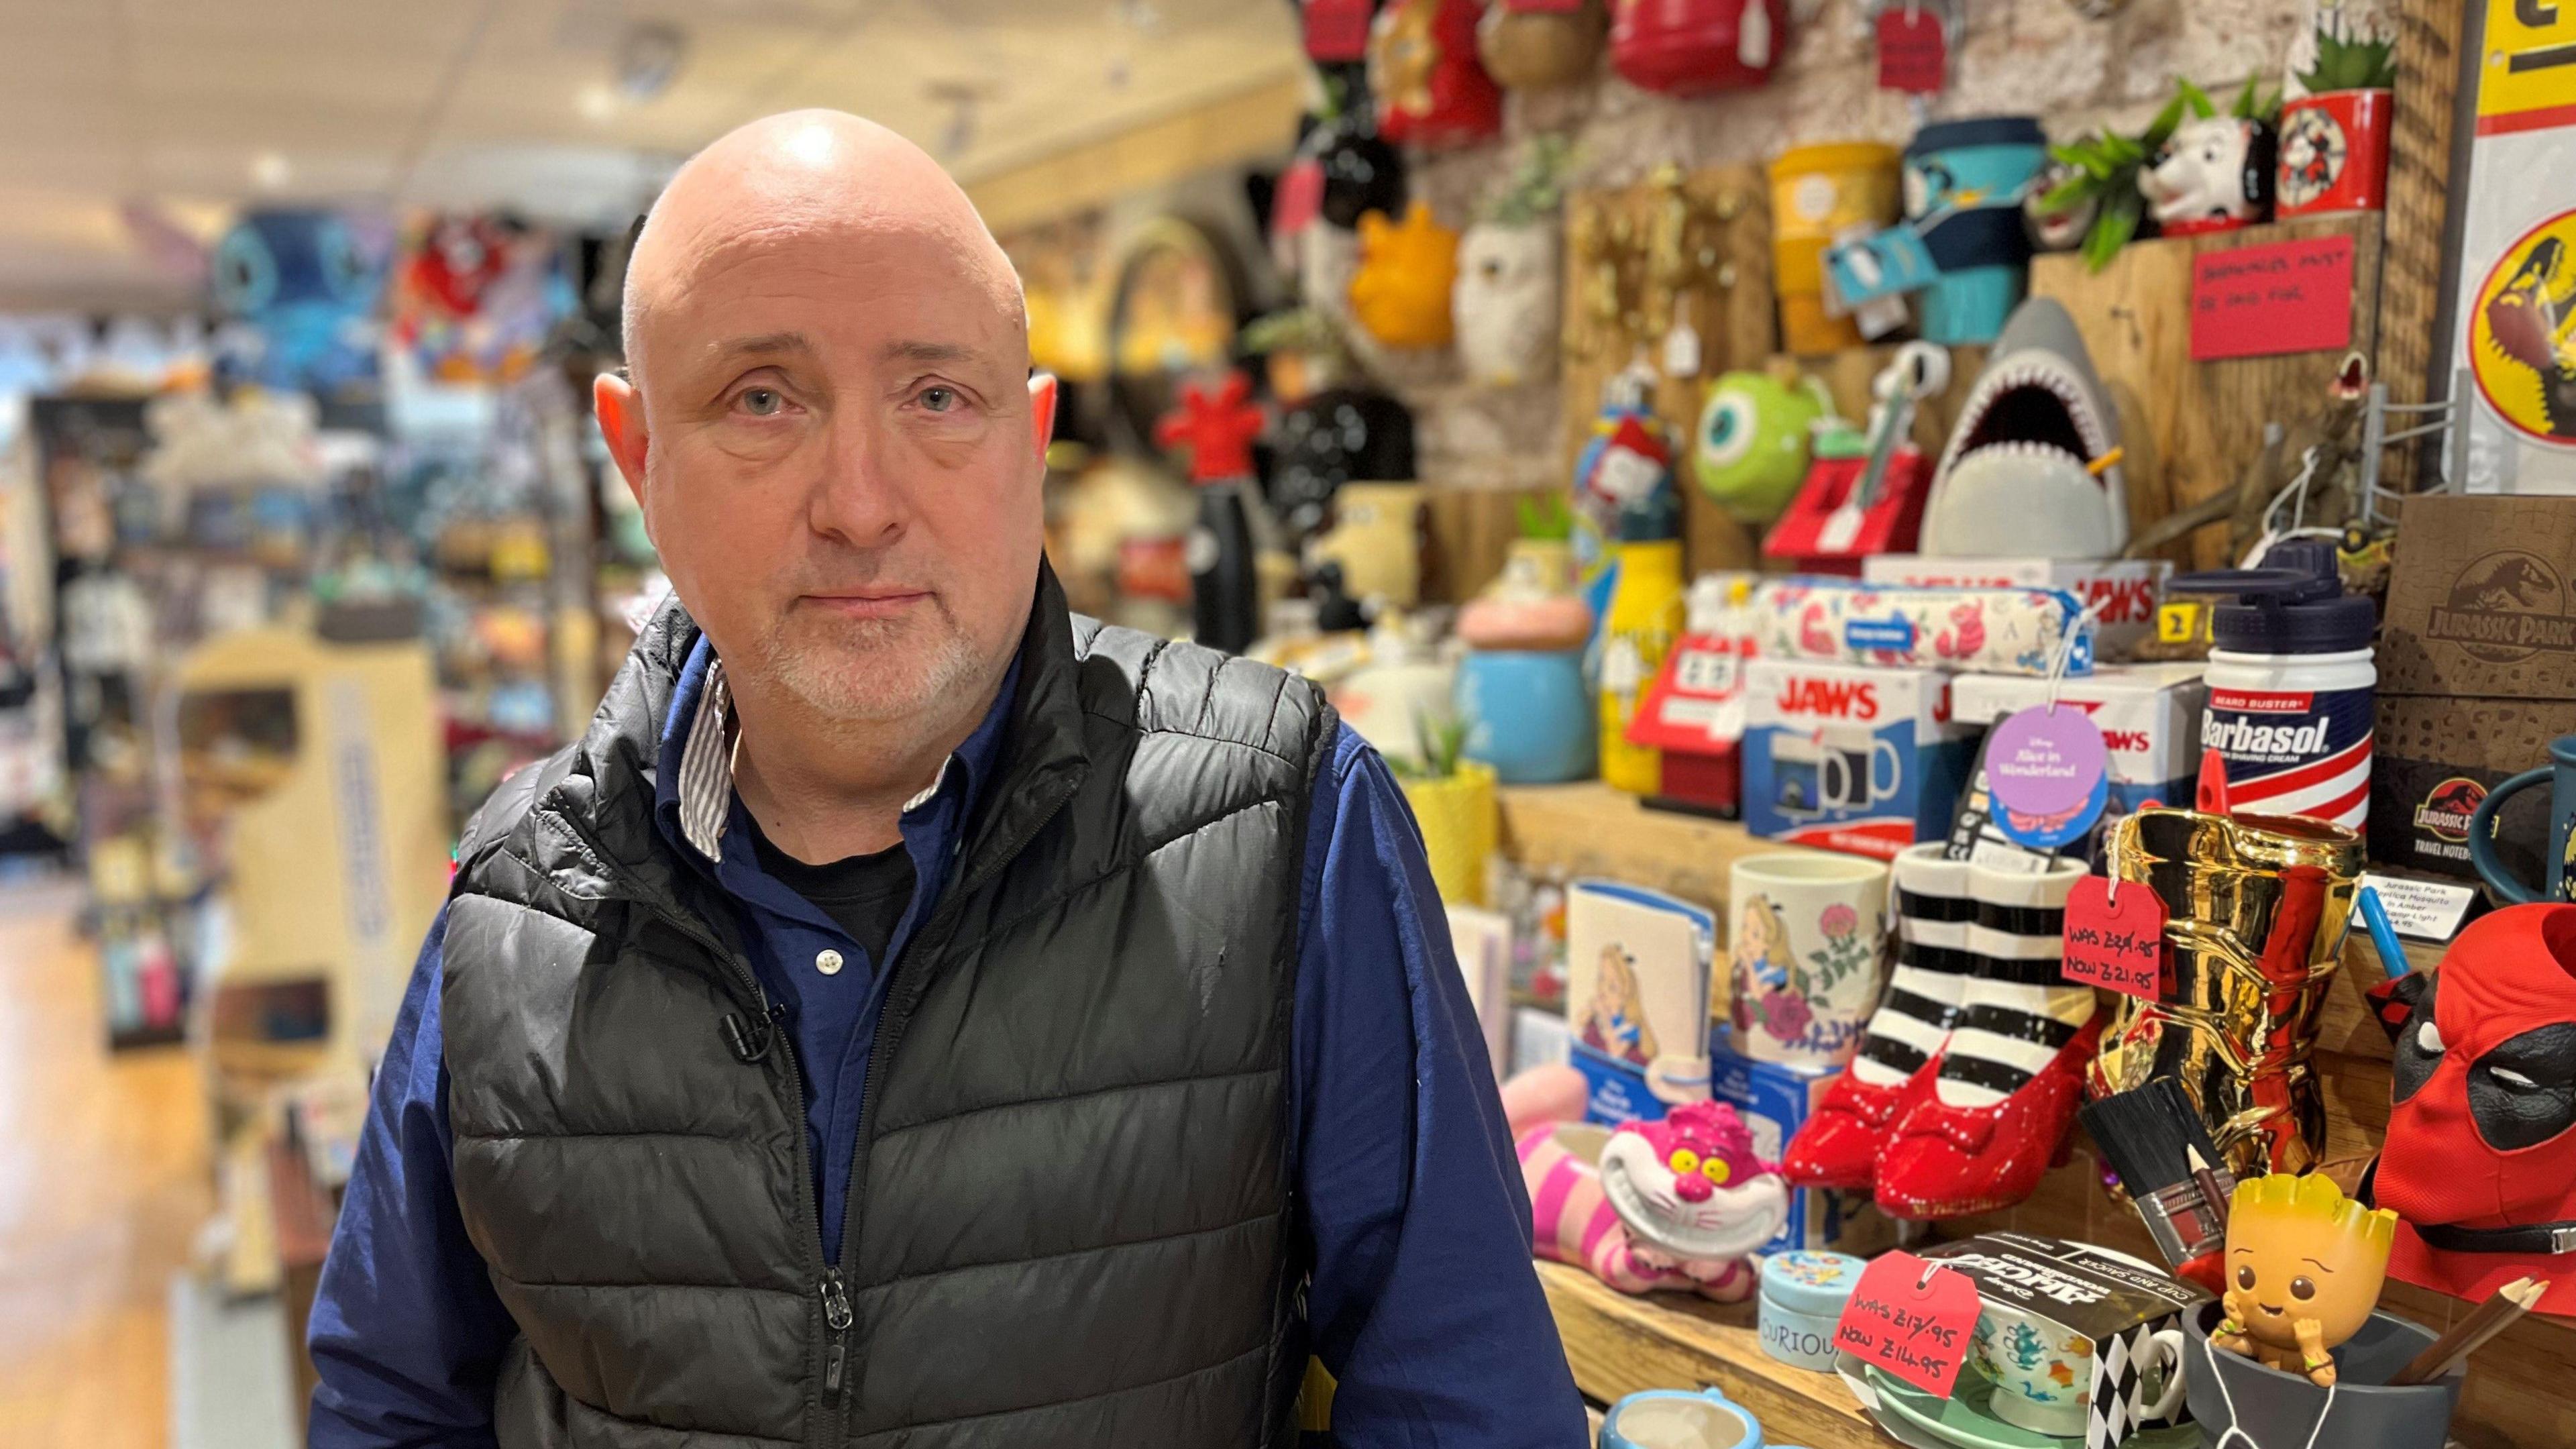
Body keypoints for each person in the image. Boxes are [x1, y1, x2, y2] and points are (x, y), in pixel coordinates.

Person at [305, 111, 1585, 1449]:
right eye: (761, 399)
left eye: (937, 398)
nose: (861, 501)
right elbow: (392, 1402)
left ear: (1028, 441)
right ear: (637, 459)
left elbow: (1468, 1402)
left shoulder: (1284, 822)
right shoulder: (514, 906)